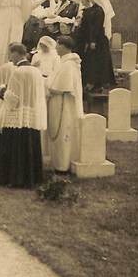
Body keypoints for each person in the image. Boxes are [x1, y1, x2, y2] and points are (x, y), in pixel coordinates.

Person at [0, 43, 47, 188]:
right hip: (32, 116)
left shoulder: (17, 72)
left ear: (17, 54)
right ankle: (33, 177)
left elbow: (13, 99)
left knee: (16, 148)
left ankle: (15, 178)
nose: (9, 57)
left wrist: (2, 90)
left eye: (10, 54)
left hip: (17, 116)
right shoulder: (36, 72)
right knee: (30, 146)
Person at [45, 35, 84, 174]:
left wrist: (49, 87)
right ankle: (57, 162)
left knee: (63, 132)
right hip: (57, 100)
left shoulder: (69, 64)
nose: (56, 48)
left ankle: (63, 165)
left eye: (58, 45)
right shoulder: (63, 62)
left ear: (64, 46)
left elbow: (63, 86)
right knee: (57, 131)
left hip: (63, 102)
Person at [75, 0, 115, 92]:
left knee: (97, 61)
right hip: (92, 38)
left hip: (98, 39)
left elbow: (97, 27)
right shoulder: (92, 9)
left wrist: (93, 41)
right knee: (92, 61)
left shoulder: (99, 10)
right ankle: (92, 82)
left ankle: (99, 83)